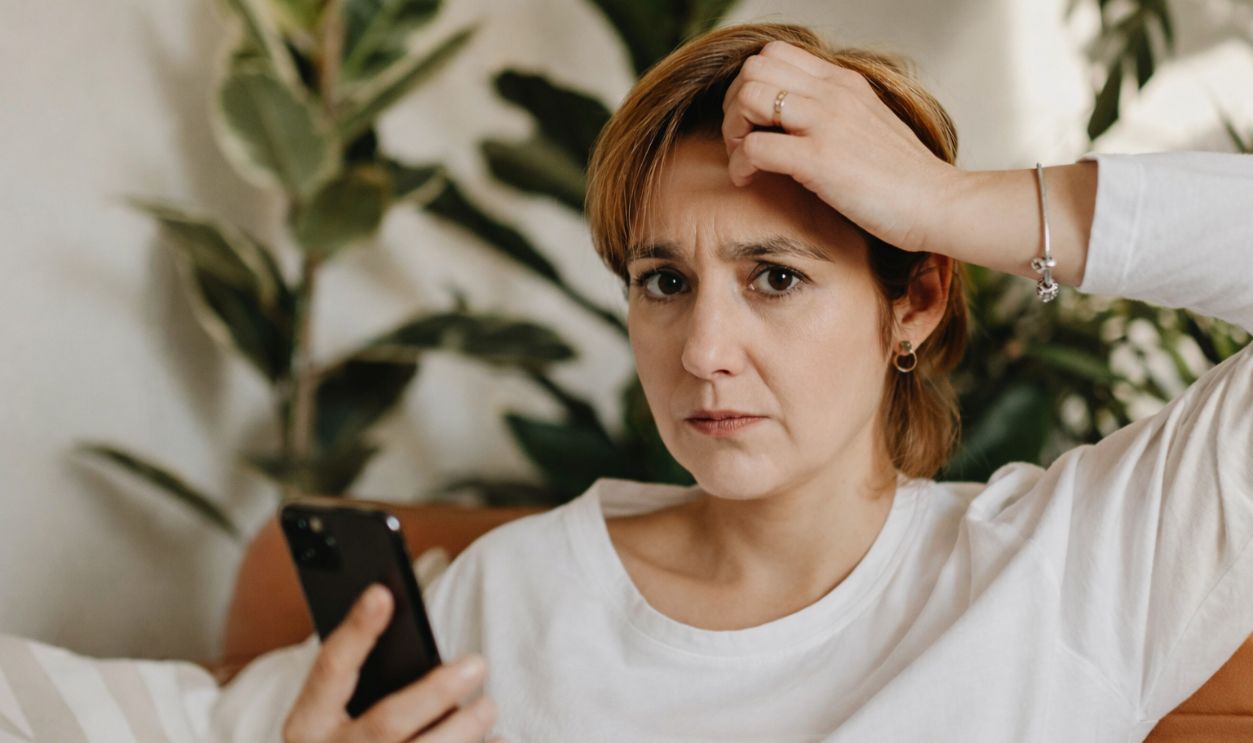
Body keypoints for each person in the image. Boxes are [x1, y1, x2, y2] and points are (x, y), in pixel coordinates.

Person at [279, 22, 1253, 743]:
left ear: (911, 300)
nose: (702, 350)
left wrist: (944, 200)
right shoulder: (509, 597)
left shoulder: (1069, 574)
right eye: (663, 281)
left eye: (774, 277)